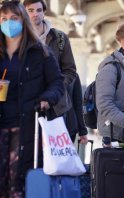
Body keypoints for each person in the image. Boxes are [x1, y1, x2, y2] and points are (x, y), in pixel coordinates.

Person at [0, 1, 64, 197]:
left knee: (19, 180)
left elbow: (57, 83)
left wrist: (46, 98)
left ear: (23, 21)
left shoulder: (40, 52)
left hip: (27, 125)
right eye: (3, 19)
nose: (8, 23)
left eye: (14, 18)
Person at [23, 0, 88, 144]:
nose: (35, 14)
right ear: (24, 13)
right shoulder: (18, 39)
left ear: (44, 12)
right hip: (27, 106)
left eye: (39, 10)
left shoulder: (59, 38)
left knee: (56, 156)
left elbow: (70, 71)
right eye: (31, 10)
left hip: (57, 107)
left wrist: (54, 91)